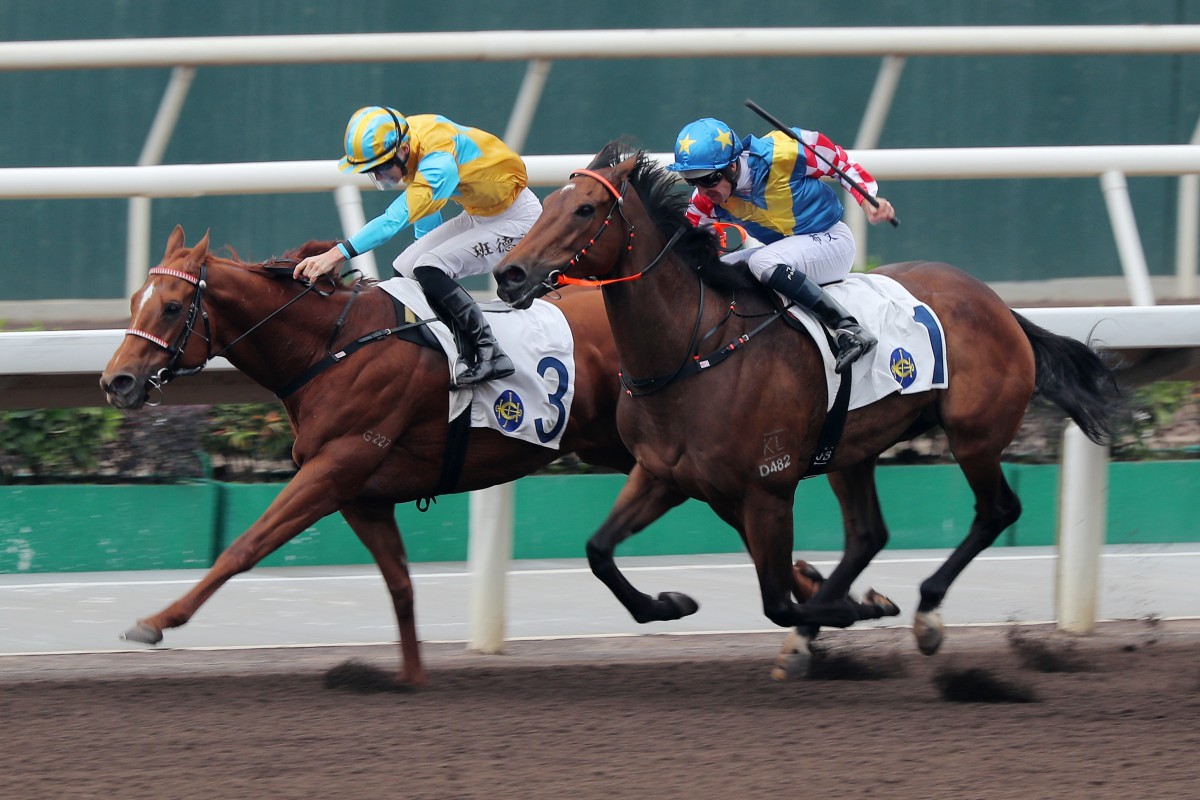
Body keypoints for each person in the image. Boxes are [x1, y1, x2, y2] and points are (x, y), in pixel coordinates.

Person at [294, 106, 542, 385]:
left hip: (518, 221)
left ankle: (490, 352)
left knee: (428, 266)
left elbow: (393, 220)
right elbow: (428, 213)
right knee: (407, 266)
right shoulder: (410, 139)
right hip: (481, 213)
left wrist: (338, 253)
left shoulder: (438, 161)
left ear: (401, 149)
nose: (380, 178)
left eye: (381, 168)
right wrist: (420, 256)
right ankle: (436, 345)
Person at [667, 117, 897, 373]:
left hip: (832, 242)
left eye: (709, 178)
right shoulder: (705, 200)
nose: (702, 189)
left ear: (732, 166)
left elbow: (839, 162)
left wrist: (867, 199)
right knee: (717, 268)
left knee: (760, 261)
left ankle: (848, 328)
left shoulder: (783, 151)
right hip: (786, 253)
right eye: (692, 181)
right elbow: (685, 246)